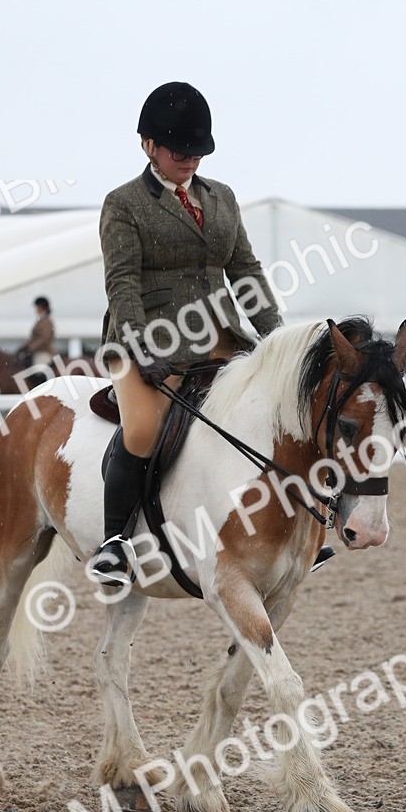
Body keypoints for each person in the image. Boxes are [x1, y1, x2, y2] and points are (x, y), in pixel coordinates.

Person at [90, 81, 283, 586]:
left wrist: (278, 340)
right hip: (147, 344)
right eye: (179, 151)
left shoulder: (222, 199)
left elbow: (245, 271)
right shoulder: (124, 204)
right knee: (143, 431)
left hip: (218, 339)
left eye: (197, 151)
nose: (190, 160)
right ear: (148, 145)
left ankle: (289, 533)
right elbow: (122, 283)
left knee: (276, 411)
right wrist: (140, 348)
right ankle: (114, 543)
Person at [18, 296, 56, 372]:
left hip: (44, 352)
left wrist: (31, 347)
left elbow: (44, 339)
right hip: (35, 352)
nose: (36, 310)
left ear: (42, 307)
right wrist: (22, 348)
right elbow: (32, 338)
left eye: (37, 307)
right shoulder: (39, 321)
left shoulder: (48, 322)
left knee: (38, 370)